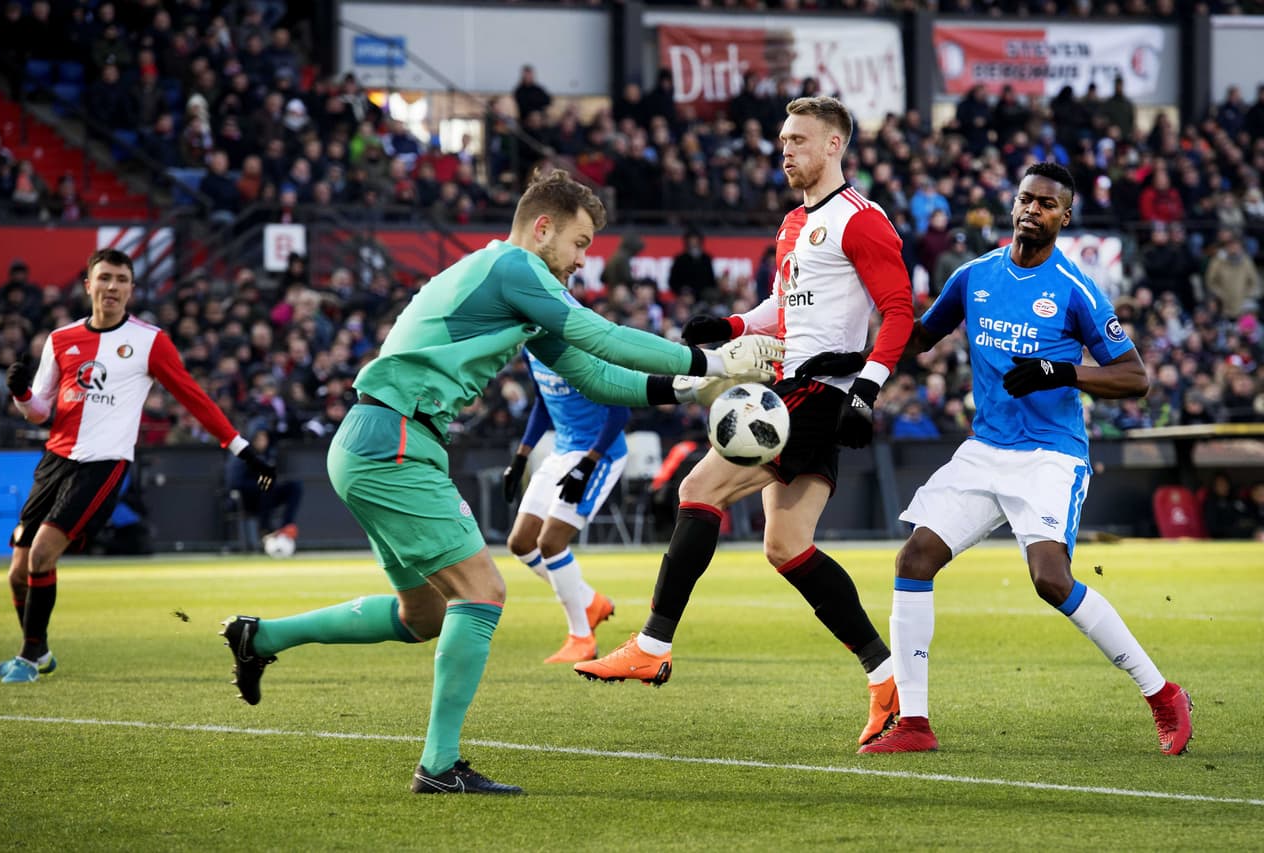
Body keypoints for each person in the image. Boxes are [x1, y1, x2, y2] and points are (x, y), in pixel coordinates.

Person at [218, 169, 783, 795]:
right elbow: (602, 335)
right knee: (483, 593)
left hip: (379, 439)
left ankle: (261, 637)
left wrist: (688, 388)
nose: (580, 261)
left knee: (423, 615)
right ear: (542, 228)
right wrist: (708, 360)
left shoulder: (508, 283)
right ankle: (437, 767)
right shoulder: (517, 270)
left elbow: (596, 379)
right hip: (395, 440)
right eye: (579, 243)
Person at [573, 96, 916, 750]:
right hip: (795, 384)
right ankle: (886, 675)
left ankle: (652, 644)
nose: (784, 150)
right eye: (782, 140)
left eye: (798, 139)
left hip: (820, 390)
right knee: (785, 544)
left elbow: (899, 310)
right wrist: (731, 325)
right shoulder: (793, 223)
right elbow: (784, 308)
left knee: (698, 488)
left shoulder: (862, 220)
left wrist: (866, 390)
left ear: (835, 145)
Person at [859, 163, 1192, 756]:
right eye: (1024, 200)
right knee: (914, 559)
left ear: (1065, 217)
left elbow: (1135, 377)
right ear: (1012, 206)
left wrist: (1061, 370)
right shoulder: (974, 275)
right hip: (985, 449)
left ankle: (1163, 694)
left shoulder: (1076, 287)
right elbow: (918, 338)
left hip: (1049, 456)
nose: (1031, 210)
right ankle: (914, 723)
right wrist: (860, 330)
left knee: (1049, 579)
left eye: (1046, 204)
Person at [0, 248, 275, 684]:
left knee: (42, 555)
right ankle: (41, 652)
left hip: (103, 465)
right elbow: (42, 412)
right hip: (54, 461)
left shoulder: (149, 341)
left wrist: (243, 450)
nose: (112, 287)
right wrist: (22, 395)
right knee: (17, 572)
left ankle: (26, 658)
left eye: (122, 279)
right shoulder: (61, 339)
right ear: (88, 285)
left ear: (132, 289)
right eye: (104, 278)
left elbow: (193, 396)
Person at [503, 351, 628, 663]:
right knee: (520, 543)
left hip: (600, 454)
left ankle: (581, 636)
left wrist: (589, 462)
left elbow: (620, 412)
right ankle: (589, 601)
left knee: (551, 542)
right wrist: (521, 455)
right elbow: (543, 404)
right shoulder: (532, 348)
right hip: (562, 451)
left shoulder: (583, 343)